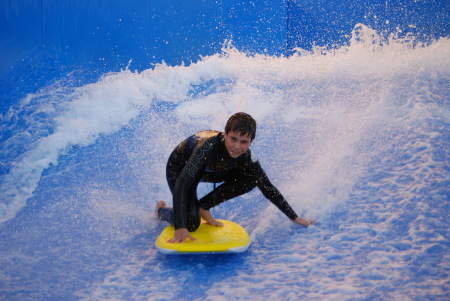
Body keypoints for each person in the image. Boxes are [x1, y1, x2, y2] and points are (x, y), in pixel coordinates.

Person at [155, 112, 315, 243]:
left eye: (244, 142)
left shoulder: (248, 157)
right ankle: (161, 211)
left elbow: (267, 187)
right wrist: (181, 227)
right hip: (181, 168)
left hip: (210, 171)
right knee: (191, 223)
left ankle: (203, 206)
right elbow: (183, 184)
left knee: (253, 178)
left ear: (251, 141)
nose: (237, 146)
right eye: (233, 139)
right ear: (225, 134)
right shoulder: (207, 148)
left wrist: (295, 217)